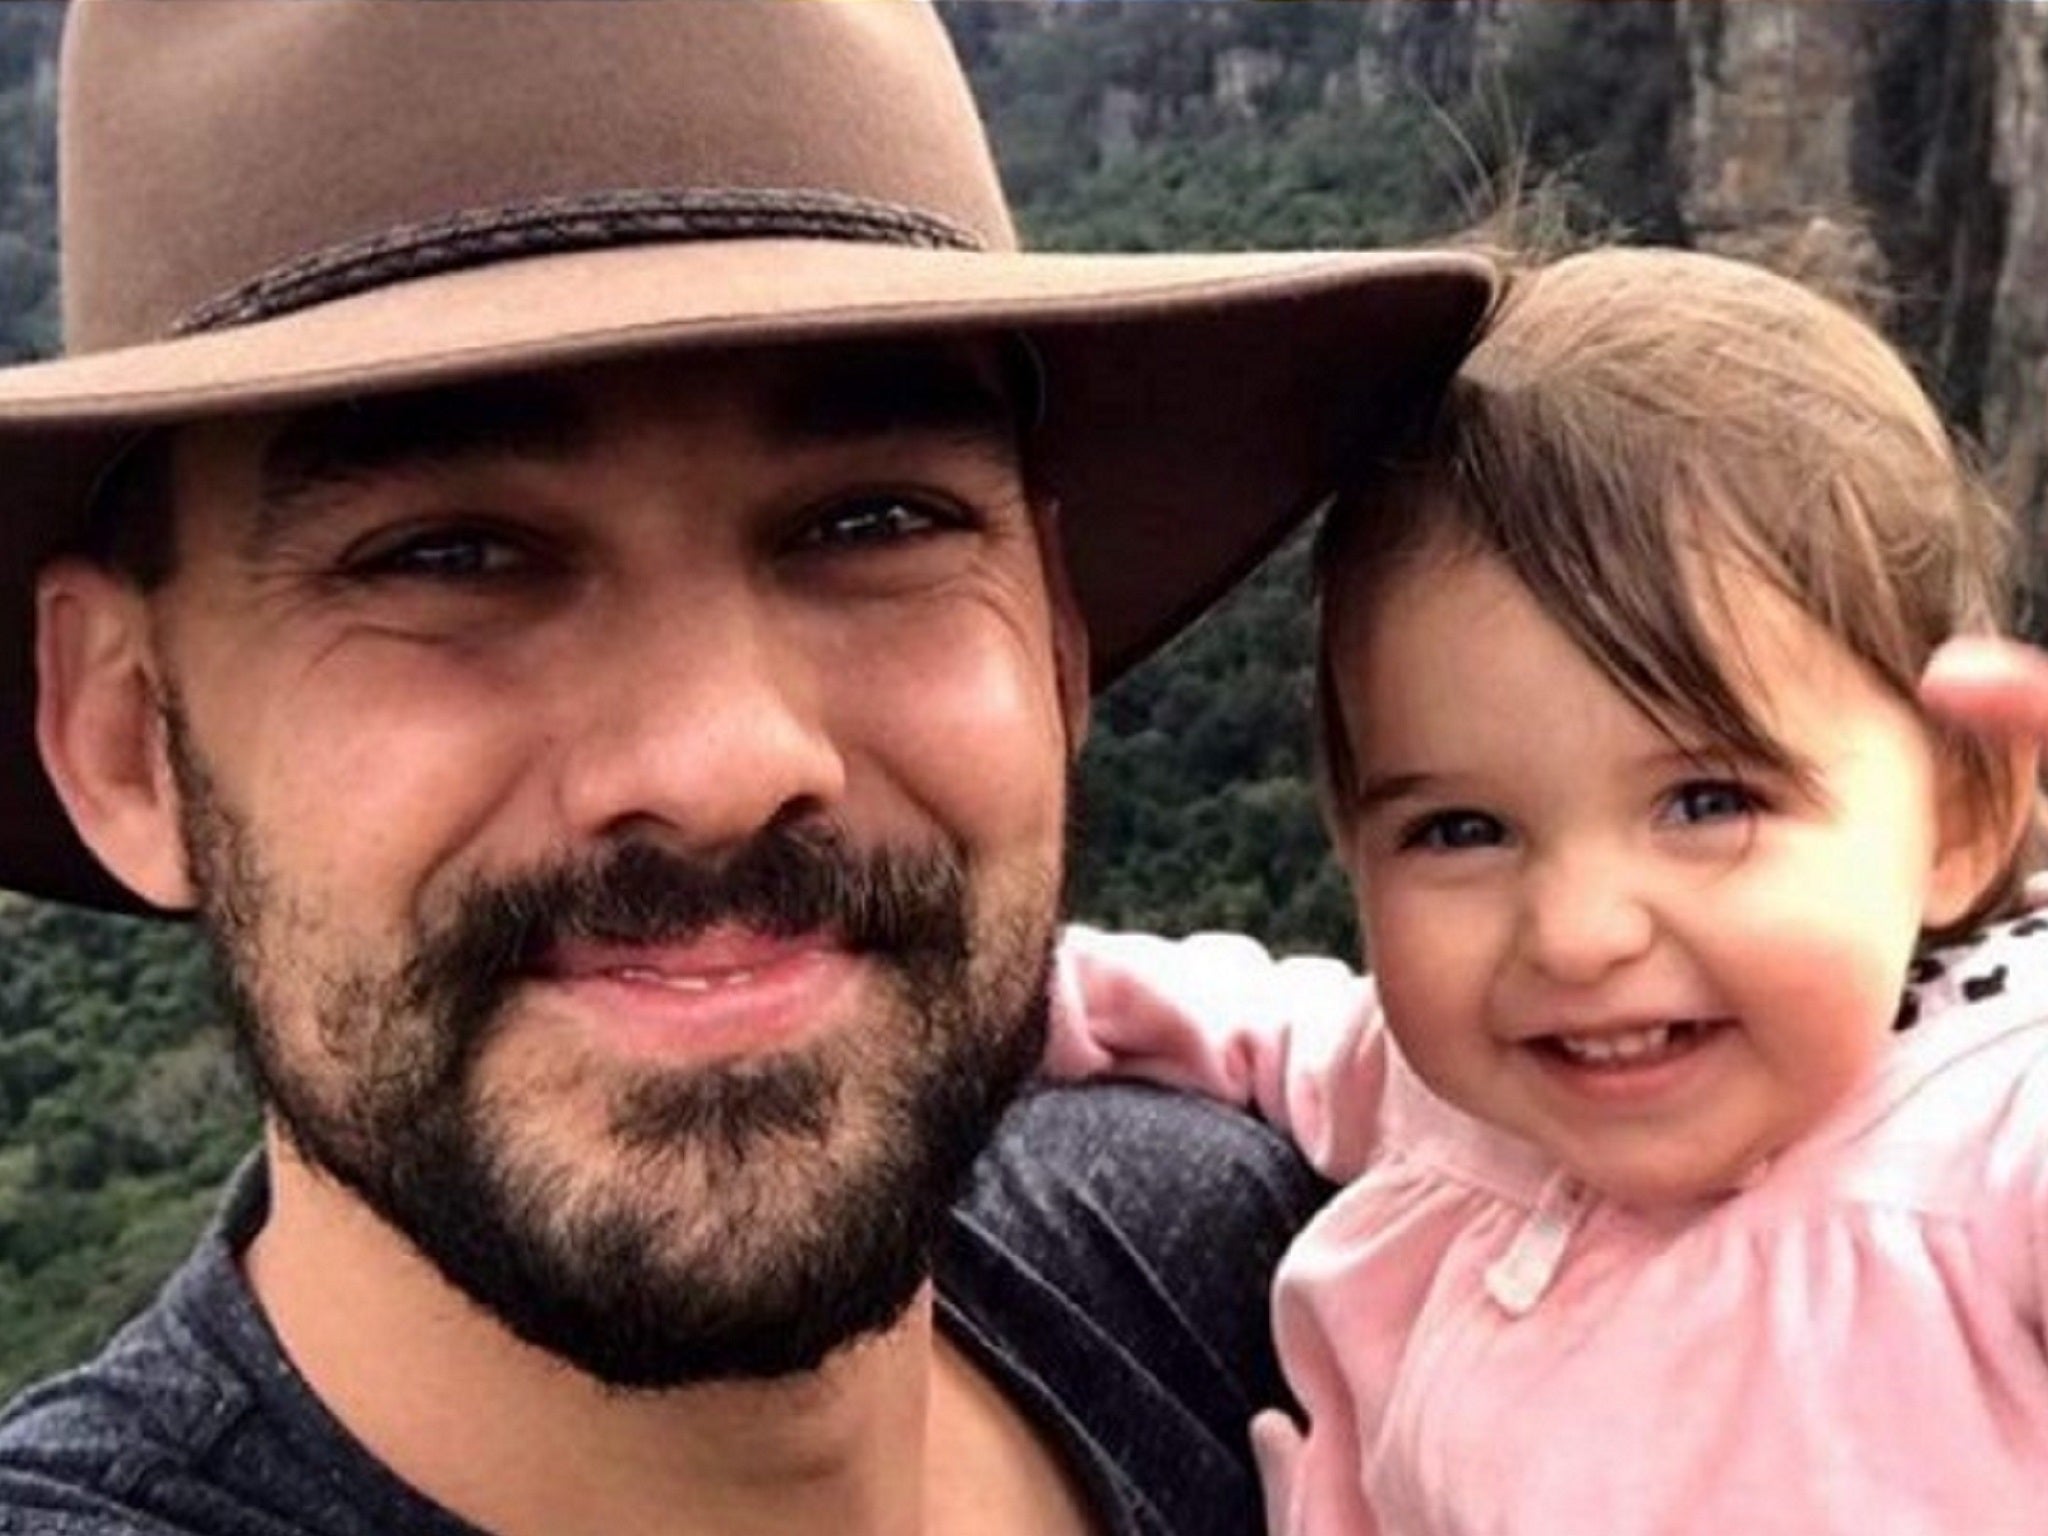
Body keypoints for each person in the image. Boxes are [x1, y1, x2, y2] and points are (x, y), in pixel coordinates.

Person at [0, 5, 1497, 1535]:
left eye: (873, 523)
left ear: (1053, 640)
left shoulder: (1294, 1294)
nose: (725, 764)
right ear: (134, 745)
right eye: (452, 555)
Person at [1049, 246, 2048, 1534]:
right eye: (1461, 830)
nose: (1576, 937)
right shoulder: (1465, 1090)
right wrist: (1017, 993)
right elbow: (1262, 1027)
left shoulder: (1988, 1144)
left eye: (1706, 803)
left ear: (1958, 816)